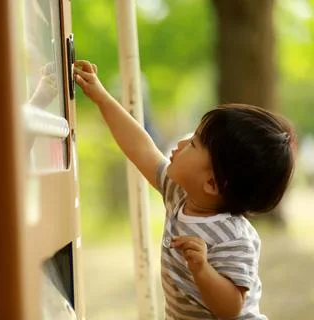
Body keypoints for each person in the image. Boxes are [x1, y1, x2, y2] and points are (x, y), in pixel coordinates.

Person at [74, 60, 295, 319]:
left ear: (212, 184)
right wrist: (101, 97)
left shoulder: (233, 238)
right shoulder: (178, 193)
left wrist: (203, 270)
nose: (182, 141)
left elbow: (231, 308)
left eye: (194, 143)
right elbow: (140, 147)